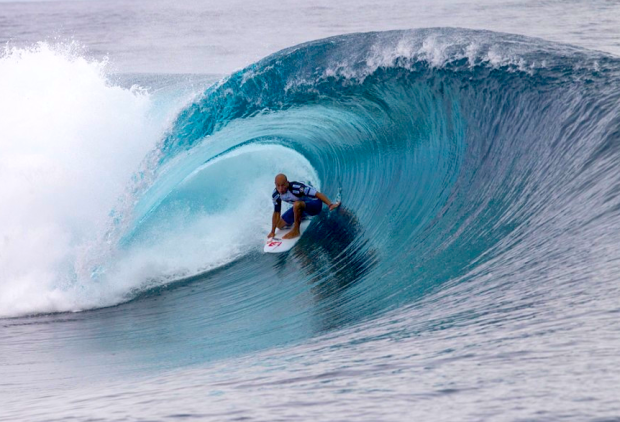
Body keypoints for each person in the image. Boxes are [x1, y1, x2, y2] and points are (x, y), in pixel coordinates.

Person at [268, 173, 340, 239]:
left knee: (296, 204)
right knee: (279, 225)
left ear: (287, 182)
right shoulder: (276, 195)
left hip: (315, 205)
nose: (280, 189)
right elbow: (276, 213)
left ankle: (296, 231)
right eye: (278, 186)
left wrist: (330, 204)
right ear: (275, 184)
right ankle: (301, 216)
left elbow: (318, 194)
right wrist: (272, 232)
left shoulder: (297, 188)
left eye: (283, 185)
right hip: (302, 207)